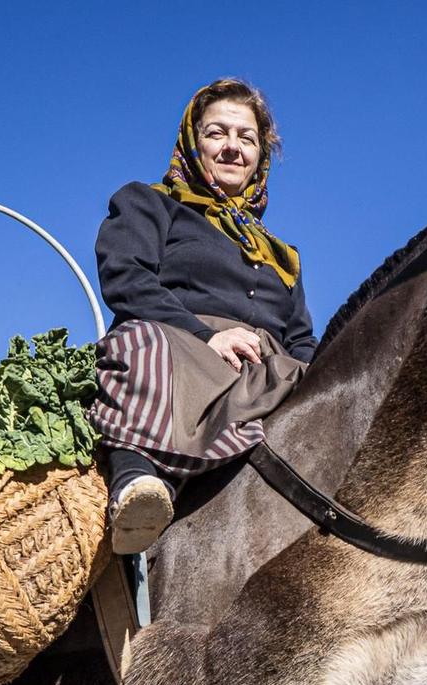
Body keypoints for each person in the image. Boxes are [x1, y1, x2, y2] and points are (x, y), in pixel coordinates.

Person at [93, 78, 317, 555]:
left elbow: (302, 338)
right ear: (194, 143)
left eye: (247, 138)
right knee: (139, 341)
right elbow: (125, 277)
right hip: (180, 351)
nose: (233, 148)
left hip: (268, 372)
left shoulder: (283, 256)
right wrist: (203, 337)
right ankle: (138, 484)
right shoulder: (152, 203)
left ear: (262, 155)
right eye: (217, 134)